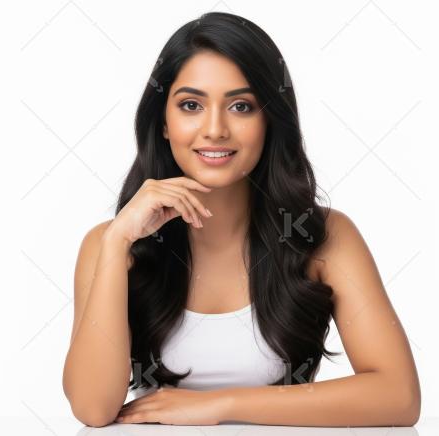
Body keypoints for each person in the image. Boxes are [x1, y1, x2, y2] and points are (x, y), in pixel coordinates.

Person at [62, 11, 420, 427]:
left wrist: (219, 405)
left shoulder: (324, 236)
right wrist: (117, 242)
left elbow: (399, 395)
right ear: (163, 122)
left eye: (241, 106)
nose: (215, 129)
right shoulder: (109, 244)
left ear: (270, 120)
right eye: (191, 105)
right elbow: (92, 409)